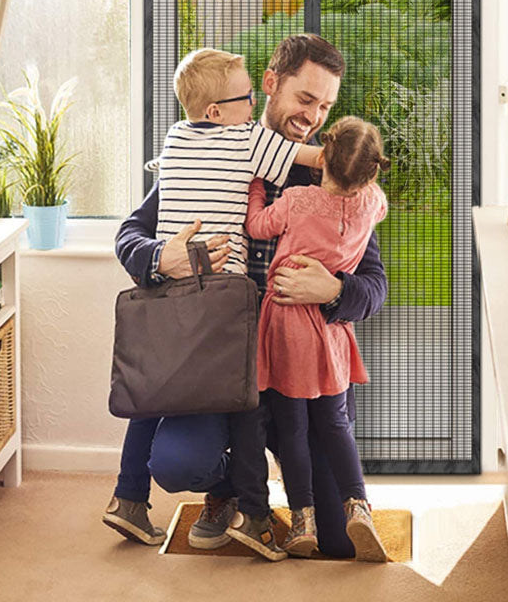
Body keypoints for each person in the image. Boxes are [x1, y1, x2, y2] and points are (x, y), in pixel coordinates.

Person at [110, 34, 388, 559]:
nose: (313, 117)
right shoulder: (205, 148)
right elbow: (130, 234)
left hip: (297, 374)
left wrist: (335, 290)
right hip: (217, 363)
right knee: (174, 463)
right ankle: (227, 489)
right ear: (269, 84)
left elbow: (374, 285)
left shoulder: (328, 175)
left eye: (325, 106)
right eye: (305, 100)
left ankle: (310, 501)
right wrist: (160, 258)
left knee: (334, 541)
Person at [232, 116, 390, 562]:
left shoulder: (298, 199)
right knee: (335, 423)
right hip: (333, 337)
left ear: (322, 155)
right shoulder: (373, 204)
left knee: (294, 426)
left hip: (287, 326)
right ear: (371, 172)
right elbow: (370, 200)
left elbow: (259, 225)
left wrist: (257, 188)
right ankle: (358, 504)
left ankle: (302, 517)